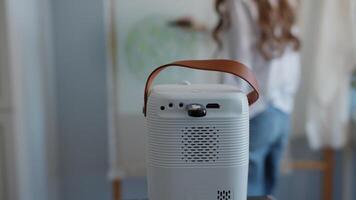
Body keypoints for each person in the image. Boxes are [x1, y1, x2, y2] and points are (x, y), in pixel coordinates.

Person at [213, 0, 301, 196]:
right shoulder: (284, 3)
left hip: (255, 112)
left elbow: (239, 60)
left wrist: (226, 113)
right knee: (267, 192)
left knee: (245, 191)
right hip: (281, 112)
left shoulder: (238, 3)